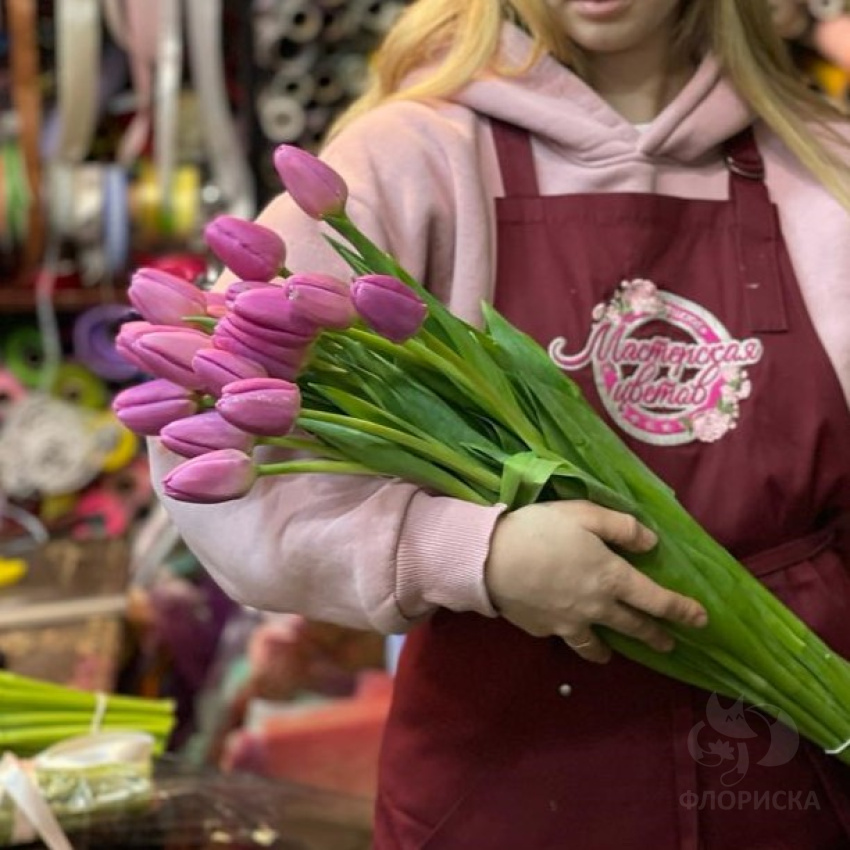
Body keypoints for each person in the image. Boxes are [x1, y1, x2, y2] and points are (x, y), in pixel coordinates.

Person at [153, 0, 850, 846]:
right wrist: (471, 552)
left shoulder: (820, 159)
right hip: (513, 772)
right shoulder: (412, 158)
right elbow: (212, 417)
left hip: (800, 765)